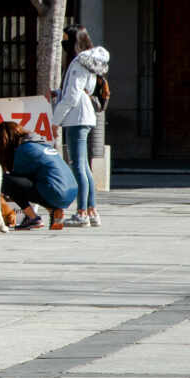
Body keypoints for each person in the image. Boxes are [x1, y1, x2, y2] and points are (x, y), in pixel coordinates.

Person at [50, 25, 109, 228]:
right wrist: (59, 94)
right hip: (85, 115)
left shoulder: (78, 63)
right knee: (84, 166)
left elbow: (72, 96)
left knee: (78, 166)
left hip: (76, 117)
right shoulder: (88, 62)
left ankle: (82, 212)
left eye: (66, 39)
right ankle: (91, 210)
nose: (63, 43)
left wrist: (55, 121)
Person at [0, 121, 77, 231]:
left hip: (56, 191)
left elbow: (17, 181)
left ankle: (33, 218)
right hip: (71, 191)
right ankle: (54, 210)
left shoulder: (23, 149)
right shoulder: (40, 143)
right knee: (37, 181)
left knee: (4, 180)